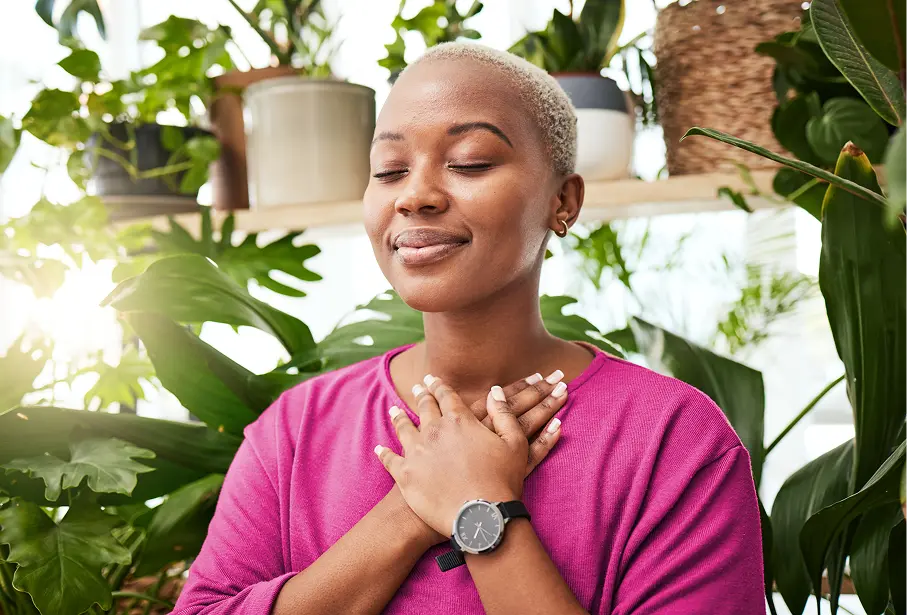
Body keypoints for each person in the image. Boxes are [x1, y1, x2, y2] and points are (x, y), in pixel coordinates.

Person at [170, 42, 764, 616]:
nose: (415, 196)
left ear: (563, 201)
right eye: (389, 170)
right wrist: (408, 511)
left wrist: (481, 508)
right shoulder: (295, 431)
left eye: (470, 162)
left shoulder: (674, 441)